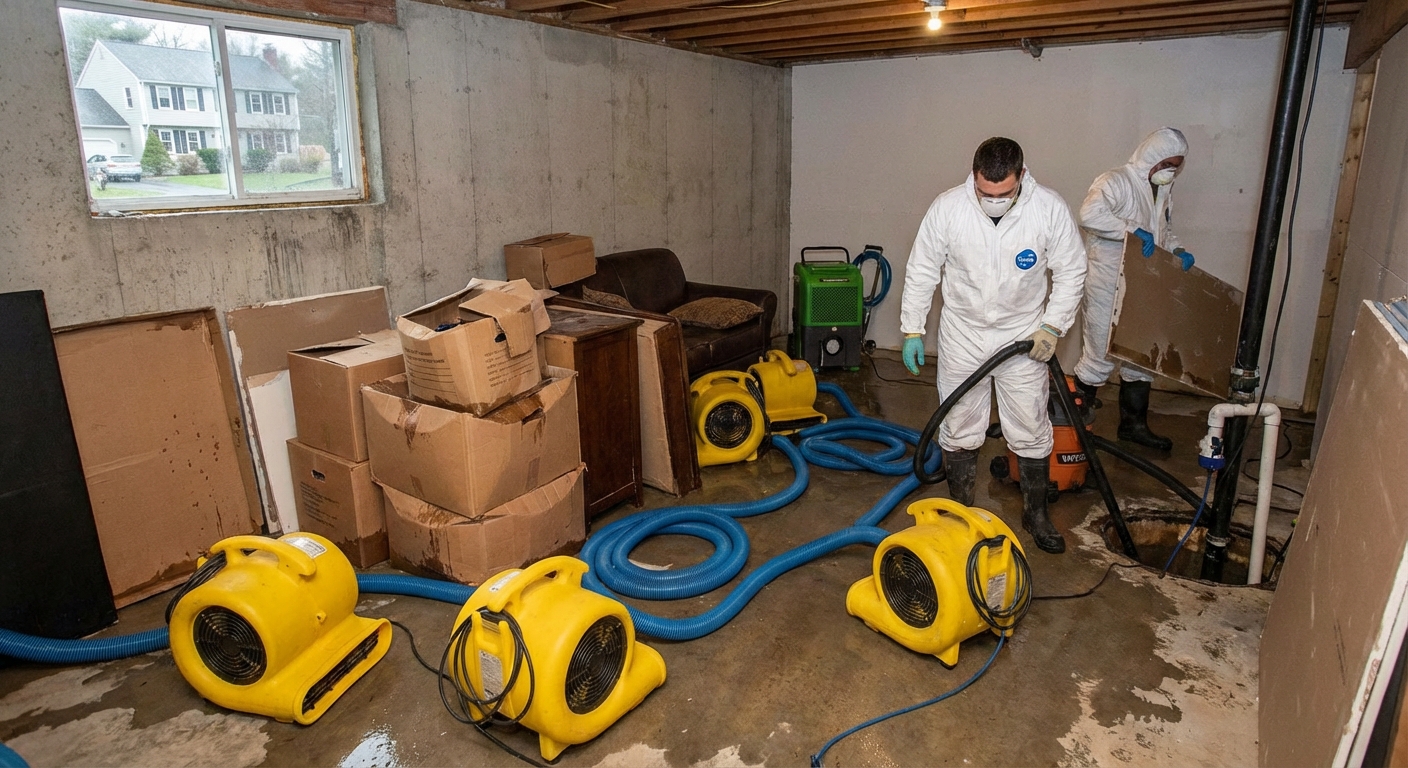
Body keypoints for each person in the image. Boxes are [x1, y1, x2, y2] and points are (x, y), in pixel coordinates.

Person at [899, 137, 1087, 554]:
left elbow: (1072, 271)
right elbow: (922, 269)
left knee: (1030, 427)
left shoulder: (1048, 209)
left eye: (1003, 194)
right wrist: (912, 329)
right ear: (974, 177)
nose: (993, 201)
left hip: (1024, 336)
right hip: (963, 333)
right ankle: (959, 513)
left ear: (1021, 176)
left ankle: (1036, 514)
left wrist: (1053, 327)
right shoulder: (948, 208)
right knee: (960, 423)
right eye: (985, 193)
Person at [1072, 127, 1195, 452]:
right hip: (1107, 283)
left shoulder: (1163, 191)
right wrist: (1131, 231)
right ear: (1151, 157)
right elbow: (1089, 215)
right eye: (1167, 163)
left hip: (1143, 284)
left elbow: (1163, 230)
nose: (1170, 171)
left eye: (1176, 165)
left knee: (1140, 357)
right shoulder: (1114, 181)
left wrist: (1177, 249)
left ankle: (1133, 427)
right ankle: (1075, 430)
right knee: (1099, 356)